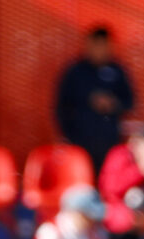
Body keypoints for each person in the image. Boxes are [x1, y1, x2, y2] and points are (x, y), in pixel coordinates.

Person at [53, 25, 136, 173]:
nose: (99, 50)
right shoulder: (75, 72)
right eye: (95, 45)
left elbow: (129, 102)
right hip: (79, 141)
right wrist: (67, 135)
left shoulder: (117, 71)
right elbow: (61, 106)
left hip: (108, 141)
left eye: (103, 45)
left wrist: (112, 104)